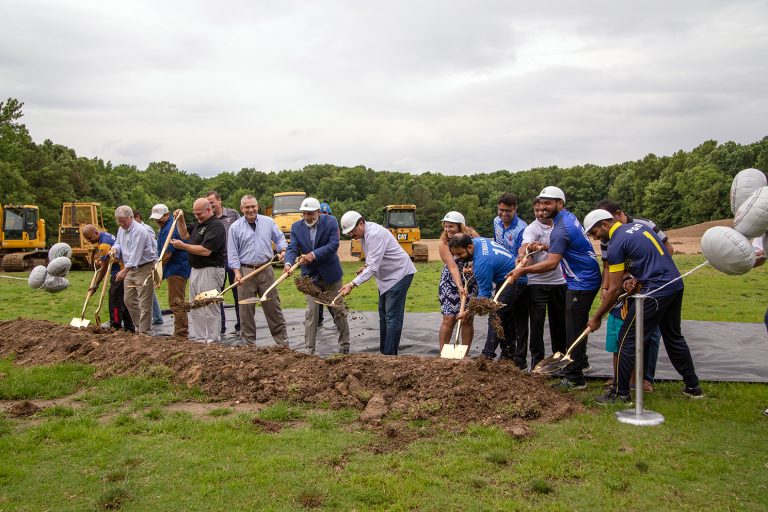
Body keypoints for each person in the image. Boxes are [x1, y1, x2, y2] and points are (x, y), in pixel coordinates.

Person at [582, 209, 703, 403]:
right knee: (673, 337)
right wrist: (636, 277)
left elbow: (613, 289)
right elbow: (653, 257)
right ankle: (693, 386)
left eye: (594, 232)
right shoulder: (638, 227)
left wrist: (596, 318)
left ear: (605, 224)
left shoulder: (615, 244)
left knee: (626, 339)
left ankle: (620, 394)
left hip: (655, 291)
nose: (595, 238)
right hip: (674, 284)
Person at [507, 186, 601, 390]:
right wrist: (536, 249)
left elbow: (551, 263)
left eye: (548, 203)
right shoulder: (566, 219)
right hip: (583, 278)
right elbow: (561, 246)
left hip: (580, 281)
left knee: (574, 328)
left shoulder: (561, 228)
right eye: (541, 203)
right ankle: (579, 365)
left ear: (560, 203)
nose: (543, 207)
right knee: (573, 326)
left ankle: (575, 379)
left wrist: (521, 272)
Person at [596, 199, 674, 392]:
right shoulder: (607, 237)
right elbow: (608, 266)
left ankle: (645, 378)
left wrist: (638, 278)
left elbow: (668, 251)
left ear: (619, 214)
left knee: (649, 332)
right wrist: (605, 288)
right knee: (622, 331)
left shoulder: (645, 225)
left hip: (651, 286)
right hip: (623, 287)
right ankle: (621, 378)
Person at [339, 211, 416, 355]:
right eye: (348, 233)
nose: (351, 235)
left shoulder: (374, 234)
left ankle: (389, 355)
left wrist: (352, 284)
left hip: (399, 274)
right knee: (383, 313)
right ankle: (384, 352)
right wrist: (365, 267)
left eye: (353, 231)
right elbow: (374, 259)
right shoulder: (364, 235)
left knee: (392, 317)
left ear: (361, 223)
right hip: (386, 277)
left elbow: (373, 268)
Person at [284, 197, 350, 354]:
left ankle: (344, 346)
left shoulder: (331, 222)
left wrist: (313, 255)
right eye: (304, 214)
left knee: (338, 311)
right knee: (311, 314)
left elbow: (333, 245)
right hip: (310, 278)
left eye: (311, 214)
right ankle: (309, 350)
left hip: (331, 276)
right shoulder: (296, 227)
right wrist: (288, 263)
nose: (307, 217)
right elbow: (293, 247)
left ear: (318, 212)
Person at [227, 195, 289, 346]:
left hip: (266, 269)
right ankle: (249, 345)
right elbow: (232, 252)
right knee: (246, 310)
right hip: (246, 272)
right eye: (247, 207)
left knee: (273, 306)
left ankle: (282, 344)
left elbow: (280, 238)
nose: (250, 210)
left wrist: (282, 250)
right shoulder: (235, 227)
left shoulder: (268, 222)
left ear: (257, 206)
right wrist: (237, 272)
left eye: (253, 206)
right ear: (241, 209)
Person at [450, 235, 517, 361]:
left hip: (513, 279)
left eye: (460, 254)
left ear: (469, 247)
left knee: (495, 315)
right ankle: (508, 354)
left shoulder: (482, 263)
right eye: (455, 254)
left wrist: (467, 312)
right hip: (506, 275)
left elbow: (484, 298)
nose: (457, 258)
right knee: (507, 318)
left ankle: (487, 355)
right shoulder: (476, 242)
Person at [171, 199, 227, 343]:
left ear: (209, 210)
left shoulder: (216, 226)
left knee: (209, 306)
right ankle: (201, 339)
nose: (197, 217)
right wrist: (181, 219)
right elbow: (184, 235)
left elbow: (205, 251)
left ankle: (213, 340)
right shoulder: (199, 224)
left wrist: (184, 247)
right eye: (195, 214)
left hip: (211, 270)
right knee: (195, 306)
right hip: (195, 270)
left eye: (199, 214)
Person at [519, 198, 566, 369]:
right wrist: (527, 250)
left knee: (559, 323)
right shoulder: (532, 228)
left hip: (560, 280)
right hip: (536, 282)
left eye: (543, 209)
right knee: (536, 324)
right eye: (537, 210)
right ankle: (537, 363)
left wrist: (545, 246)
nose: (540, 213)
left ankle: (560, 362)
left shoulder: (561, 226)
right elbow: (523, 246)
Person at [489, 193, 529, 368]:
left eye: (508, 211)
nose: (503, 214)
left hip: (518, 277)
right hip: (502, 276)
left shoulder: (522, 228)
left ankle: (519, 360)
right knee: (506, 317)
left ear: (515, 209)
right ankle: (507, 354)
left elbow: (523, 253)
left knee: (515, 317)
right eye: (501, 210)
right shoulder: (496, 222)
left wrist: (517, 270)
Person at [109, 205, 157, 334]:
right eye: (118, 221)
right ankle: (139, 326)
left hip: (144, 267)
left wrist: (124, 271)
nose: (121, 224)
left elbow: (136, 253)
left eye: (123, 221)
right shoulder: (121, 229)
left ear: (131, 217)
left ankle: (145, 332)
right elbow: (118, 243)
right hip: (130, 268)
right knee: (128, 300)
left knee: (145, 301)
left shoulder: (140, 231)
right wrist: (115, 249)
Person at [437, 211, 479, 353]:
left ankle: (464, 354)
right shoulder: (444, 243)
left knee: (467, 318)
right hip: (450, 282)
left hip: (471, 280)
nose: (448, 230)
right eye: (446, 226)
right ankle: (444, 354)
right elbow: (453, 266)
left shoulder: (472, 236)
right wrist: (460, 286)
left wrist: (473, 268)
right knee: (449, 318)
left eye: (451, 226)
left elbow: (479, 254)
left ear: (460, 226)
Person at [82, 224, 134, 332]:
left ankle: (115, 325)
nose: (89, 241)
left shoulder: (104, 244)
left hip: (119, 273)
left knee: (115, 302)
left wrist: (95, 285)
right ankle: (129, 327)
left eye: (90, 238)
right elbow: (107, 260)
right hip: (122, 270)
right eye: (87, 239)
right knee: (122, 301)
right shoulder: (106, 236)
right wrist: (101, 261)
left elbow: (104, 268)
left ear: (96, 233)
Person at [150, 203, 191, 338]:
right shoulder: (163, 228)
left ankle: (181, 333)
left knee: (176, 301)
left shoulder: (170, 229)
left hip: (177, 269)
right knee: (175, 300)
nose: (157, 221)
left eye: (160, 218)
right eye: (155, 218)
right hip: (172, 269)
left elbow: (167, 254)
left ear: (167, 215)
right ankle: (180, 330)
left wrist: (157, 270)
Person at [206, 191, 241, 336]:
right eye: (208, 203)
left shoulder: (233, 214)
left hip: (233, 260)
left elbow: (241, 231)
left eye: (212, 202)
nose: (211, 205)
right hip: (218, 261)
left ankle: (240, 327)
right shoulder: (209, 219)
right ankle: (220, 328)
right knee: (218, 295)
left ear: (219, 200)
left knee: (237, 293)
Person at [132, 208, 164, 326]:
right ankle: (156, 316)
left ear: (138, 217)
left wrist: (155, 264)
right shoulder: (133, 231)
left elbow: (154, 246)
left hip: (148, 263)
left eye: (133, 218)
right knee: (146, 291)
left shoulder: (146, 230)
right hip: (138, 265)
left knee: (147, 291)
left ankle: (156, 316)